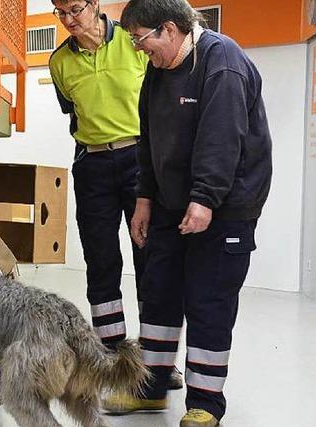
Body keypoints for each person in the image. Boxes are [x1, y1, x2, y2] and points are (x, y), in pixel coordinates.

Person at [118, 0, 273, 426]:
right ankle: (150, 387)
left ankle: (205, 403)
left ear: (169, 29)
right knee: (160, 292)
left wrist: (204, 199)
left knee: (209, 300)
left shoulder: (222, 62)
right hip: (172, 202)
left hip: (224, 206)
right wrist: (144, 198)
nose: (138, 49)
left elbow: (223, 139)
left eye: (141, 40)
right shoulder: (159, 69)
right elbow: (147, 138)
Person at [48, 0, 184, 398]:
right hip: (92, 165)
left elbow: (160, 100)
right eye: (60, 12)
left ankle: (156, 362)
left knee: (152, 260)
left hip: (141, 160)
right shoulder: (59, 63)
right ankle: (111, 360)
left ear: (94, 4)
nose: (69, 20)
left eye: (75, 9)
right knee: (101, 262)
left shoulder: (131, 40)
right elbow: (74, 113)